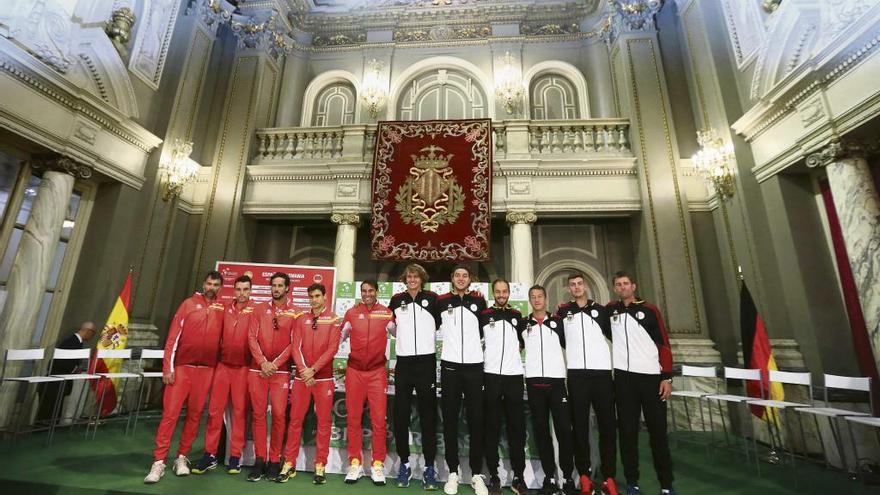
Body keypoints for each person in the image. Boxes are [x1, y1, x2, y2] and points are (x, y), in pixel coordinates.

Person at [144, 271, 225, 484]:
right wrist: (167, 369)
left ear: (220, 287)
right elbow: (172, 338)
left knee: (195, 415)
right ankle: (159, 461)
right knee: (170, 415)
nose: (212, 287)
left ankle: (182, 457)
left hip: (206, 371)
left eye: (216, 284)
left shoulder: (222, 308)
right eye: (209, 283)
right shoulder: (188, 304)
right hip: (182, 368)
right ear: (203, 284)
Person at [607, 272, 676, 495]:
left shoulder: (650, 310)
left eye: (626, 284)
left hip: (651, 379)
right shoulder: (610, 310)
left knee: (658, 434)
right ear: (615, 289)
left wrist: (666, 377)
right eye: (618, 285)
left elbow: (664, 345)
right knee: (628, 434)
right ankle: (631, 482)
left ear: (633, 286)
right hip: (624, 380)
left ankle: (666, 485)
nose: (622, 287)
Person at [192, 275, 260, 475]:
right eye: (238, 289)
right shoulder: (223, 307)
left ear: (250, 290)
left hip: (243, 368)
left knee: (239, 413)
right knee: (214, 412)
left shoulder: (256, 310)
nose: (241, 293)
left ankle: (235, 456)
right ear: (233, 290)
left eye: (245, 289)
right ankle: (210, 455)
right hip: (223, 367)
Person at [556, 273, 617, 495]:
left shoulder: (601, 311)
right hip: (577, 376)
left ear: (586, 286)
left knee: (608, 427)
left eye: (580, 284)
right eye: (572, 285)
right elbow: (560, 340)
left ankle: (609, 476)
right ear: (569, 289)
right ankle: (584, 475)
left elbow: (614, 336)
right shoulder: (563, 312)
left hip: (602, 375)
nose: (577, 287)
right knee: (579, 427)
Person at [278, 283, 342, 484]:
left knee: (324, 423)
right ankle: (289, 463)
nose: (314, 299)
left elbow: (332, 349)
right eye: (311, 296)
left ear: (324, 297)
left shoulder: (334, 319)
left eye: (317, 296)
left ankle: (320, 466)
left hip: (323, 379)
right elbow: (295, 346)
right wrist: (305, 371)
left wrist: (313, 370)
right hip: (301, 379)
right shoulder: (301, 319)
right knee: (295, 421)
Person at [387, 263, 441, 490]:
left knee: (428, 415)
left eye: (415, 277)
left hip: (426, 362)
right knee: (400, 414)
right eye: (408, 276)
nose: (412, 280)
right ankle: (405, 464)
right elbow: (390, 326)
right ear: (404, 279)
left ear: (422, 279)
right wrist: (404, 340)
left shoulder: (433, 299)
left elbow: (439, 326)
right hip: (404, 363)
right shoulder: (396, 300)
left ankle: (429, 467)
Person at [436, 265, 488, 495]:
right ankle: (453, 473)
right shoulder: (441, 301)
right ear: (451, 278)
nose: (460, 278)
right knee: (450, 421)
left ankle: (476, 474)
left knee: (476, 420)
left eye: (465, 275)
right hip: (449, 368)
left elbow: (489, 333)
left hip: (475, 368)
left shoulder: (480, 302)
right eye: (457, 275)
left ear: (470, 279)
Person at [523, 285, 577, 495]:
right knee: (541, 433)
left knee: (564, 431)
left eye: (540, 296)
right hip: (534, 384)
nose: (537, 300)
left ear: (546, 299)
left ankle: (567, 479)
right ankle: (549, 478)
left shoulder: (558, 323)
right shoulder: (523, 324)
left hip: (556, 384)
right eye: (533, 297)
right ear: (530, 300)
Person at [247, 272, 301, 482]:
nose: (276, 289)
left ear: (287, 288)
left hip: (280, 372)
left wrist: (275, 364)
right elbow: (252, 337)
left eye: (280, 286)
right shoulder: (259, 309)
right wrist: (262, 362)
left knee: (279, 416)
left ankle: (274, 461)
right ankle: (259, 460)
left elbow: (293, 343)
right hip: (257, 370)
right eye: (274, 285)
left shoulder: (296, 313)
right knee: (259, 415)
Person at [341, 280, 394, 485]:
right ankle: (355, 463)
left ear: (377, 292)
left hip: (376, 372)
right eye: (364, 291)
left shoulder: (387, 313)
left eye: (371, 290)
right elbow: (339, 338)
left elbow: (402, 335)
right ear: (360, 293)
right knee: (353, 418)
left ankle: (377, 464)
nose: (367, 294)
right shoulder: (352, 313)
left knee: (379, 420)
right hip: (354, 372)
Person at [479, 279, 528, 495]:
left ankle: (518, 477)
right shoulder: (484, 315)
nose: (501, 294)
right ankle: (494, 477)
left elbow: (522, 343)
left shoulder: (517, 316)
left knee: (517, 429)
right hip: (490, 377)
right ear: (493, 293)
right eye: (497, 291)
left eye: (504, 291)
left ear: (509, 293)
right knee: (492, 428)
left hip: (514, 377)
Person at [37, 322, 96, 422]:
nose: (92, 336)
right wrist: (76, 369)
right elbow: (63, 363)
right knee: (49, 414)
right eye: (93, 333)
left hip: (57, 382)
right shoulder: (73, 342)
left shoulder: (74, 341)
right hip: (55, 383)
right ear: (88, 331)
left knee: (53, 412)